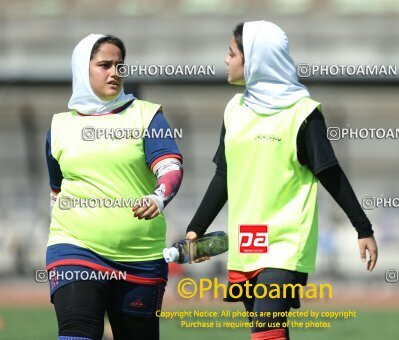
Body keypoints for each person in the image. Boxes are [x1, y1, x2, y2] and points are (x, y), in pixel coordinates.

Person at [185, 21, 378, 340]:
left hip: (287, 240)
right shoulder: (234, 110)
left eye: (232, 53)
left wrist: (363, 228)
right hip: (246, 239)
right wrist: (197, 228)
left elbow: (329, 172)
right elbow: (224, 174)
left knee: (266, 328)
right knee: (266, 331)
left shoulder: (303, 113)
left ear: (255, 60)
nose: (226, 60)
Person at [45, 34, 183, 340]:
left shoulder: (148, 115)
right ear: (83, 69)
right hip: (75, 248)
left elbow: (170, 166)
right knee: (76, 332)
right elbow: (57, 192)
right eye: (104, 65)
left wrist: (158, 197)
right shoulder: (58, 126)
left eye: (120, 65)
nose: (114, 73)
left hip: (140, 256)